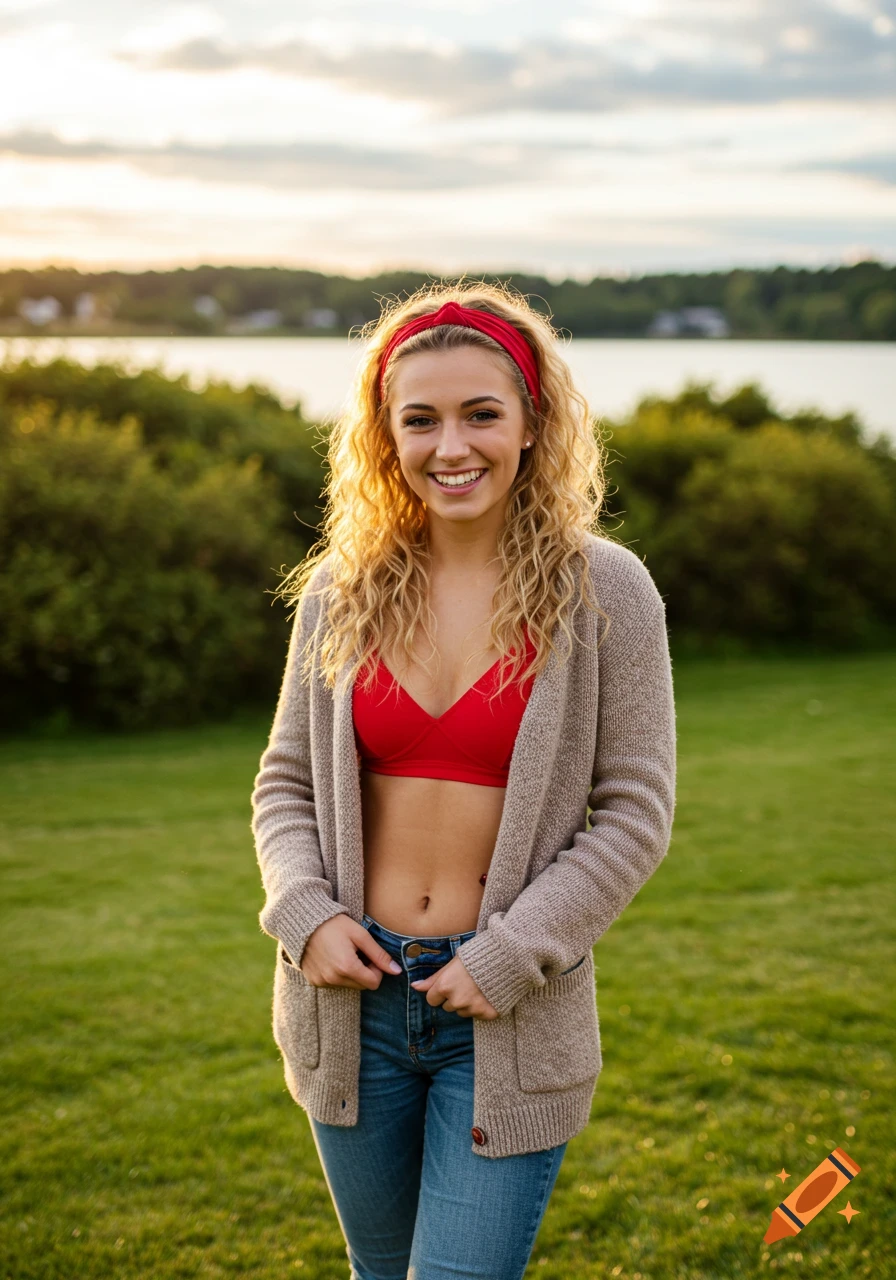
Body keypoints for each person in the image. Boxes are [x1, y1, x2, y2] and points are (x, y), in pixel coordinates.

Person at [250, 282, 676, 1280]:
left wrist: (510, 952)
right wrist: (303, 911)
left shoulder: (604, 588)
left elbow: (632, 811)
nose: (452, 444)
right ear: (383, 436)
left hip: (507, 1010)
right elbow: (285, 779)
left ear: (531, 423)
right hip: (349, 1003)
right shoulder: (340, 588)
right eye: (421, 418)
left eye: (480, 412)